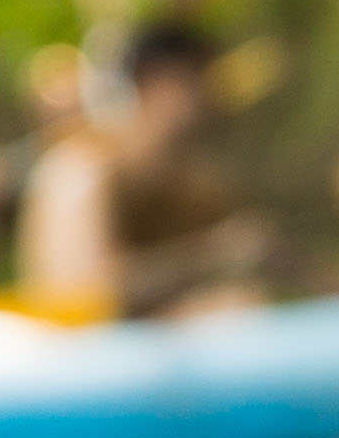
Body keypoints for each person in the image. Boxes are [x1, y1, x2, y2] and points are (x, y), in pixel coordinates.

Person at [15, 20, 275, 322]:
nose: (217, 99)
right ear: (160, 82)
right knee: (233, 310)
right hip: (75, 353)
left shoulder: (192, 180)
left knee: (238, 305)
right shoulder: (78, 168)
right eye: (203, 81)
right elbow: (78, 294)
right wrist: (209, 256)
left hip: (137, 345)